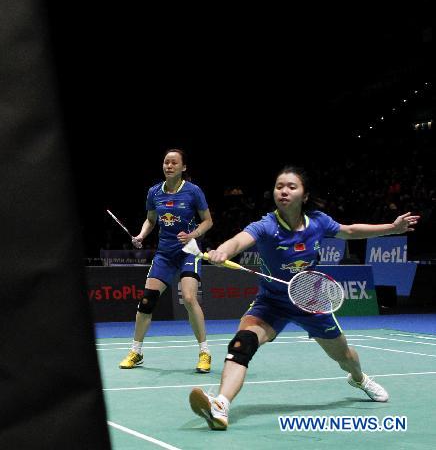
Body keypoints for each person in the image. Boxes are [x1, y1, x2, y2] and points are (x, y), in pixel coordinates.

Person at [189, 166, 420, 430]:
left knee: (345, 356)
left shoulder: (319, 222)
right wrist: (222, 251)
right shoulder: (267, 225)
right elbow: (240, 240)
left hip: (309, 300)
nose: (284, 191)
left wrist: (392, 228)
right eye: (279, 187)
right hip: (271, 303)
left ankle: (358, 379)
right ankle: (221, 405)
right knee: (242, 344)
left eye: (291, 187)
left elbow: (351, 231)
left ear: (305, 195)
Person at [119, 149, 214, 373]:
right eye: (166, 162)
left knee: (190, 298)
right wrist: (142, 235)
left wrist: (193, 235)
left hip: (188, 251)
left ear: (183, 168)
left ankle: (205, 352)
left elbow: (208, 221)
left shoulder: (193, 191)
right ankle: (136, 351)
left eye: (174, 163)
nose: (169, 166)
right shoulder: (154, 192)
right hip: (165, 254)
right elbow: (151, 220)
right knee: (146, 301)